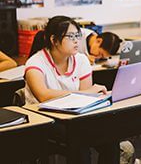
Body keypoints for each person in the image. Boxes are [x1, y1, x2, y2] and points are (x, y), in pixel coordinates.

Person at [24, 16, 119, 164]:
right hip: (45, 121)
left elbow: (86, 100)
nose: (76, 41)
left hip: (74, 118)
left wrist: (86, 95)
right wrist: (84, 93)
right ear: (53, 39)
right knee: (80, 141)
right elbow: (43, 95)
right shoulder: (36, 63)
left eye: (78, 35)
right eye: (70, 36)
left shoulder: (81, 60)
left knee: (110, 138)